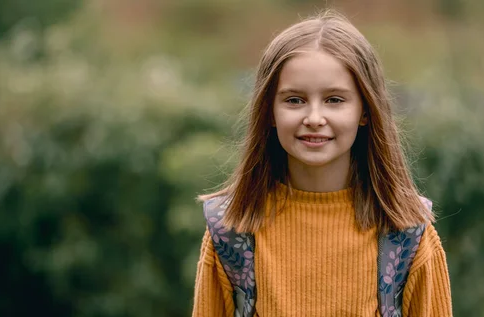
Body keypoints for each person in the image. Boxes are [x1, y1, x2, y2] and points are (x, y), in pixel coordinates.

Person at [192, 10, 452, 317]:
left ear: (365, 111)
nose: (314, 118)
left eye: (335, 100)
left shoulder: (406, 234)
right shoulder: (231, 230)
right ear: (269, 111)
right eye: (294, 100)